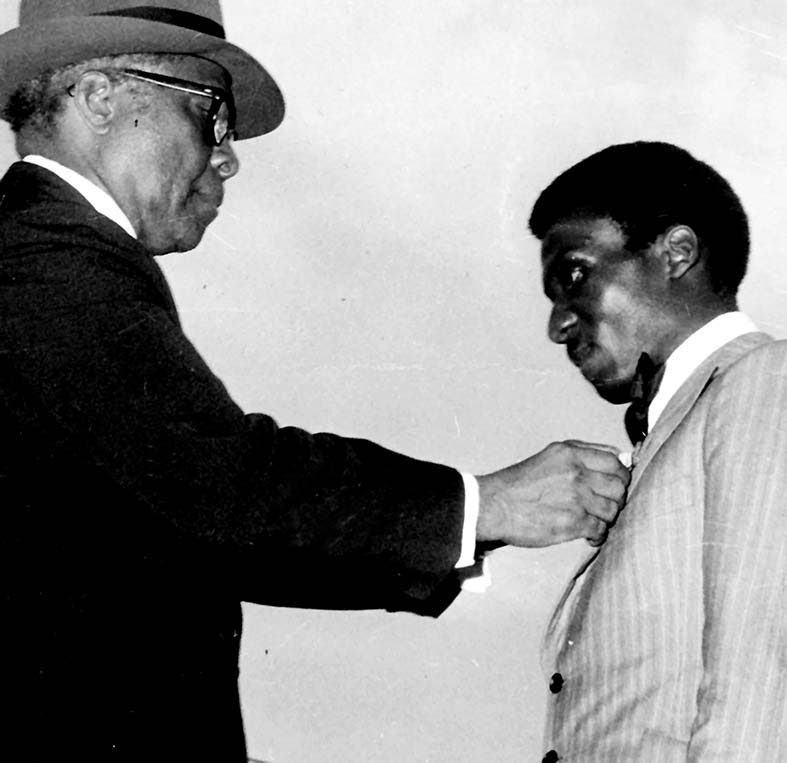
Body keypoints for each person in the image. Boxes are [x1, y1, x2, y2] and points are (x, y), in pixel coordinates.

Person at [0, 2, 631, 760]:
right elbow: (227, 492)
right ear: (103, 99)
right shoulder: (49, 262)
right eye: (211, 115)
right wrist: (487, 502)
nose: (226, 156)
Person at [530, 140, 787, 762]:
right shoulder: (682, 426)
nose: (558, 324)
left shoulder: (762, 379)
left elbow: (758, 683)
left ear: (676, 253)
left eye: (574, 275)